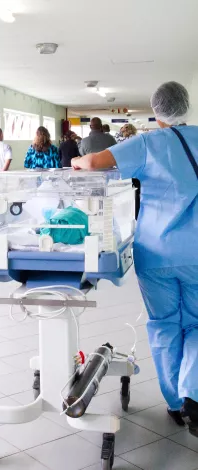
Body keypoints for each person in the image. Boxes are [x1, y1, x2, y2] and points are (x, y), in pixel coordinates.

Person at [71, 81, 198, 435]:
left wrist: (78, 158)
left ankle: (175, 404)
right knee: (197, 324)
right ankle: (194, 393)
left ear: (157, 112)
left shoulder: (147, 143)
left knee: (165, 325)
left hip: (155, 253)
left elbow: (95, 162)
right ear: (185, 107)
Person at [116, 124, 140, 219]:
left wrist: (120, 130)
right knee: (137, 192)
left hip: (124, 169)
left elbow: (116, 138)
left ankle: (127, 215)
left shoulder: (121, 140)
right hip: (136, 169)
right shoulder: (137, 138)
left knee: (126, 193)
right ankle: (137, 214)